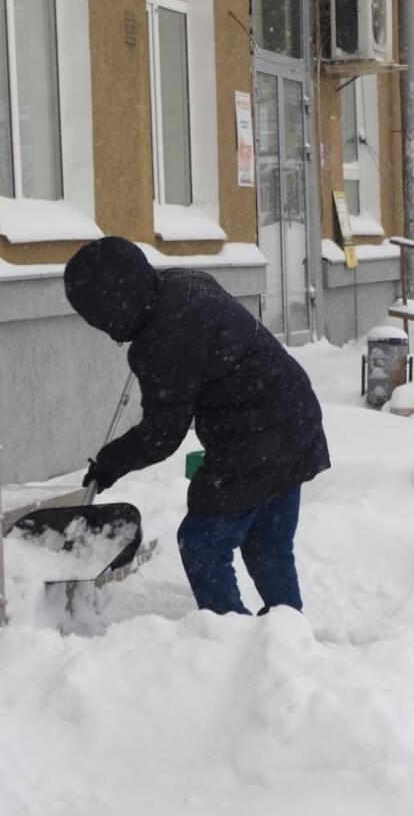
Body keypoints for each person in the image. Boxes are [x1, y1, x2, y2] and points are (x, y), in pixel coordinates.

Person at [63, 236, 330, 616]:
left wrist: (110, 463)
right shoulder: (179, 283)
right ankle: (285, 637)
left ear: (112, 309)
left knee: (202, 541)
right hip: (295, 414)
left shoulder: (164, 339)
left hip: (255, 437)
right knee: (268, 544)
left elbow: (163, 435)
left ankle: (230, 637)